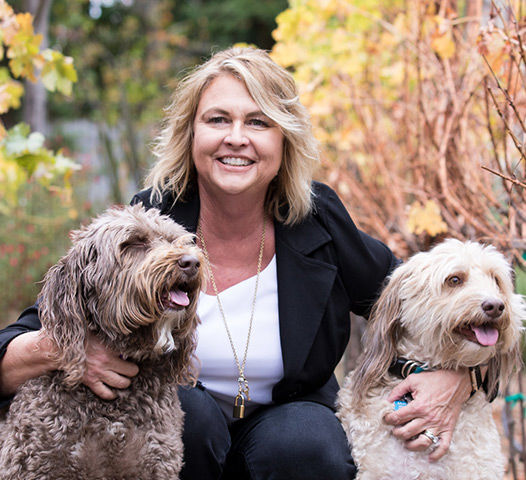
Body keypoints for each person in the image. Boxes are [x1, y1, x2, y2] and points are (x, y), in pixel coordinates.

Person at [0, 47, 473, 479]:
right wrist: (62, 350)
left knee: (307, 443)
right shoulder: (150, 223)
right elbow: (30, 331)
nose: (237, 138)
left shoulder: (318, 220)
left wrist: (457, 375)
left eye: (259, 122)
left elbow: (427, 300)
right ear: (191, 135)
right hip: (181, 437)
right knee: (190, 416)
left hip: (289, 429)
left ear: (285, 139)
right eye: (218, 119)